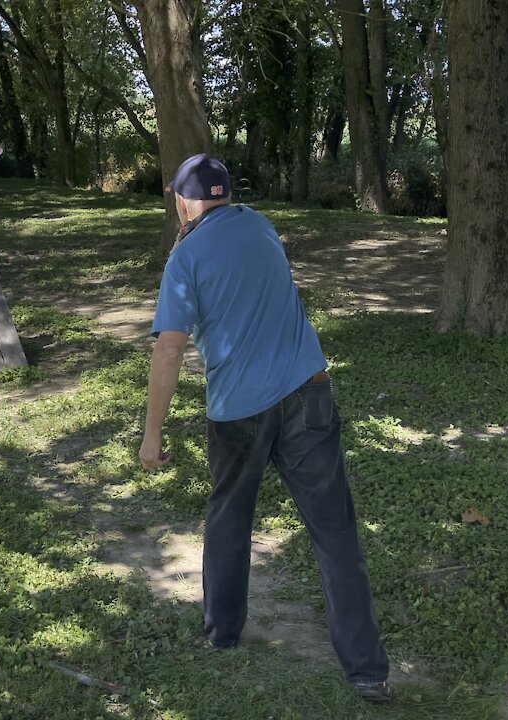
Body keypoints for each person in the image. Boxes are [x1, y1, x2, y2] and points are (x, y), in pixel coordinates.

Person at [138, 154, 392, 702]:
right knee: (335, 532)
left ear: (184, 201)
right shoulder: (261, 225)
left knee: (229, 519)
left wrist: (152, 432)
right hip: (310, 389)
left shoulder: (185, 257)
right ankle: (367, 669)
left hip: (239, 412)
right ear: (226, 194)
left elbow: (168, 347)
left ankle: (223, 633)